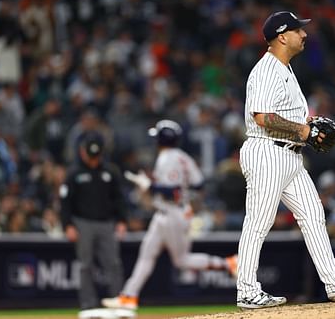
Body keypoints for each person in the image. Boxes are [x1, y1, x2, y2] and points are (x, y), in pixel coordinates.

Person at [235, 11, 335, 309]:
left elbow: (282, 115)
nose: (305, 34)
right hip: (267, 151)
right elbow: (262, 117)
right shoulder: (267, 70)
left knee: (313, 215)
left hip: (289, 155)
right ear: (282, 36)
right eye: (298, 30)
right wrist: (302, 129)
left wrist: (306, 128)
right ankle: (246, 289)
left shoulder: (285, 69)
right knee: (258, 223)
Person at [101, 119, 237, 312]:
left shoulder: (167, 159)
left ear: (163, 139)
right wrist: (179, 191)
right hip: (167, 213)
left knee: (181, 261)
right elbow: (198, 184)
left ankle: (228, 263)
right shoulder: (183, 157)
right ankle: (128, 296)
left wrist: (150, 186)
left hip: (172, 213)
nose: (154, 140)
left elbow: (172, 193)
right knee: (146, 255)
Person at [59, 131, 127, 310]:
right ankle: (88, 304)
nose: (93, 160)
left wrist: (121, 220)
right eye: (91, 156)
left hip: (107, 223)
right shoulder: (74, 173)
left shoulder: (110, 172)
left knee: (113, 263)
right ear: (82, 152)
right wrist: (67, 225)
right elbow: (65, 202)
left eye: (96, 156)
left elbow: (119, 198)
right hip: (83, 223)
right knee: (85, 265)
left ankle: (118, 303)